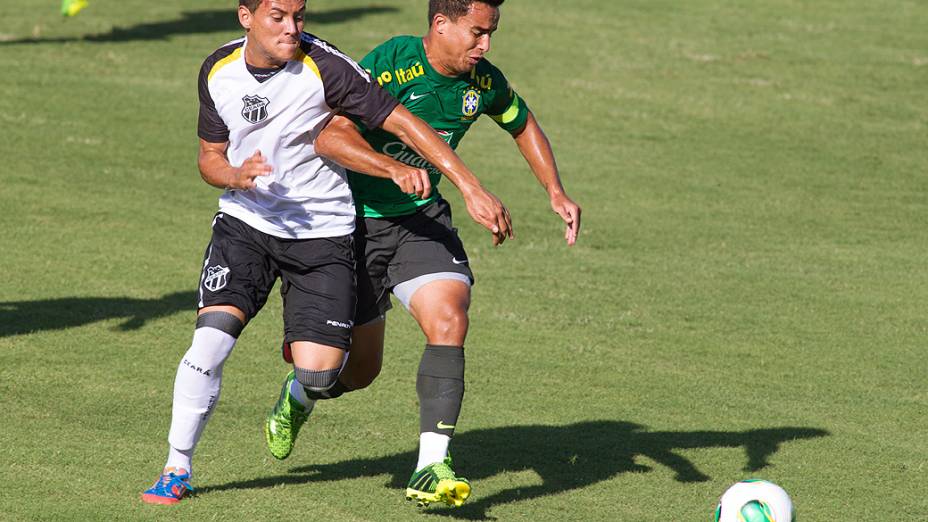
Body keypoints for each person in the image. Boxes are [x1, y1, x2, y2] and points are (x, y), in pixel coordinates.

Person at [140, 0, 511, 505]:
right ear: (245, 16)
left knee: (324, 372)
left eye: (300, 16)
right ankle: (176, 467)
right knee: (213, 338)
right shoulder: (217, 69)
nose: (292, 28)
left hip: (321, 234)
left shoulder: (329, 67)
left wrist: (466, 184)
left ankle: (297, 390)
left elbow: (402, 122)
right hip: (245, 225)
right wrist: (233, 175)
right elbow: (209, 156)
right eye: (278, 17)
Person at [263, 0, 581, 508]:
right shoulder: (394, 62)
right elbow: (331, 134)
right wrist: (389, 170)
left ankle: (431, 466)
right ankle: (299, 396)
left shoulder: (483, 82)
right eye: (477, 33)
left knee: (450, 318)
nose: (487, 45)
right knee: (360, 372)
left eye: (491, 33)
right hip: (349, 224)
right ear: (440, 24)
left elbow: (522, 122)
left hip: (420, 221)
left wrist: (555, 191)